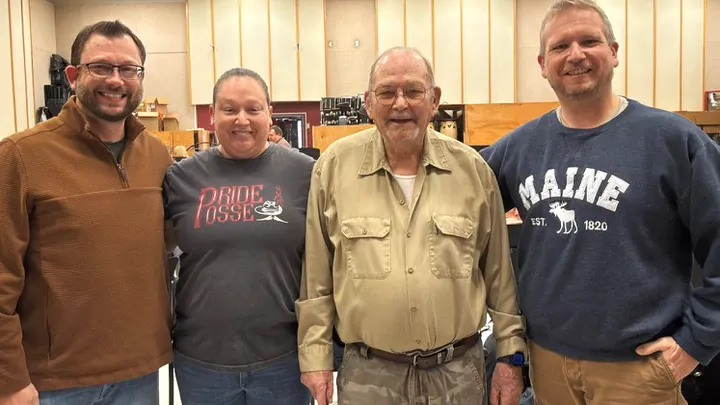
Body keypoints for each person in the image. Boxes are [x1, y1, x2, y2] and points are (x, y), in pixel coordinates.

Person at [479, 1, 720, 404]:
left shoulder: (673, 140)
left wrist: (698, 341)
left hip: (639, 370)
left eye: (589, 41)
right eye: (560, 47)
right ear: (542, 63)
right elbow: (455, 196)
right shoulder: (518, 148)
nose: (575, 54)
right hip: (548, 365)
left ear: (614, 52)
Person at [296, 46, 527, 405]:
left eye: (413, 91)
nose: (400, 103)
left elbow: (499, 276)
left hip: (458, 379)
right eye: (386, 92)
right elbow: (316, 278)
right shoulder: (334, 168)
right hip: (368, 379)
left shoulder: (473, 171)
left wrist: (510, 356)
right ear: (368, 103)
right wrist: (315, 358)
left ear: (434, 100)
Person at [0, 20, 173, 405]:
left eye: (128, 69)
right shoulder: (20, 156)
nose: (116, 80)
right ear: (73, 74)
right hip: (55, 384)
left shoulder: (157, 156)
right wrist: (9, 379)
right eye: (101, 67)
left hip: (141, 373)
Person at [162, 67, 314, 405]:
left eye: (253, 109)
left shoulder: (305, 174)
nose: (241, 119)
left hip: (284, 360)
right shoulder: (180, 178)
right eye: (229, 109)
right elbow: (159, 248)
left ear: (269, 114)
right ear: (212, 116)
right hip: (201, 362)